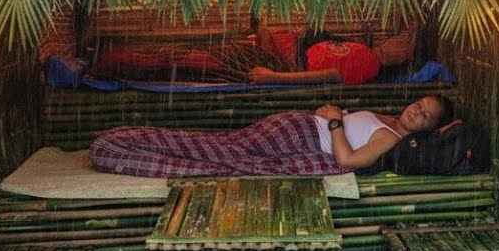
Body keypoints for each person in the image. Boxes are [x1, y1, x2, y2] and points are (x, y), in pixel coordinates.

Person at [90, 95, 454, 178]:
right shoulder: (387, 117)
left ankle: (118, 149)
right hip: (290, 128)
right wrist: (336, 115)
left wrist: (334, 122)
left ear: (430, 128)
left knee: (213, 154)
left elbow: (346, 161)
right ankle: (125, 142)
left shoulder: (391, 140)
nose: (416, 111)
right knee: (213, 148)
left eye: (425, 115)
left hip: (297, 140)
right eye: (419, 103)